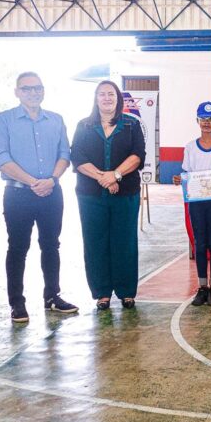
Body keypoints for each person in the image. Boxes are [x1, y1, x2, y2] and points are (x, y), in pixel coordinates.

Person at [0, 71, 77, 323]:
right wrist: (33, 182)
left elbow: (65, 153)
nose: (33, 92)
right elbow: (2, 158)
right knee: (18, 247)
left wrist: (51, 180)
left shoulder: (56, 120)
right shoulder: (4, 120)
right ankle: (17, 303)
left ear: (43, 90)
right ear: (17, 92)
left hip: (51, 193)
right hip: (18, 195)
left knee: (51, 245)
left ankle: (52, 297)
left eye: (37, 88)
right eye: (27, 88)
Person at [70, 81, 145, 311]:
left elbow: (138, 155)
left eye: (110, 94)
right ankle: (102, 292)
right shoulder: (83, 125)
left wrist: (116, 175)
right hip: (91, 195)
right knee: (95, 241)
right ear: (96, 98)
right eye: (101, 94)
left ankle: (126, 292)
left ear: (118, 98)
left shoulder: (132, 124)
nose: (106, 98)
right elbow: (78, 157)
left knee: (124, 242)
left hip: (126, 194)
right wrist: (104, 177)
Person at [173, 102, 211, 307]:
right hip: (197, 202)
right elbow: (186, 173)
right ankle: (201, 287)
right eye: (203, 119)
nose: (207, 123)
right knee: (199, 243)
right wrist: (179, 179)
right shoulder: (190, 147)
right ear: (197, 121)